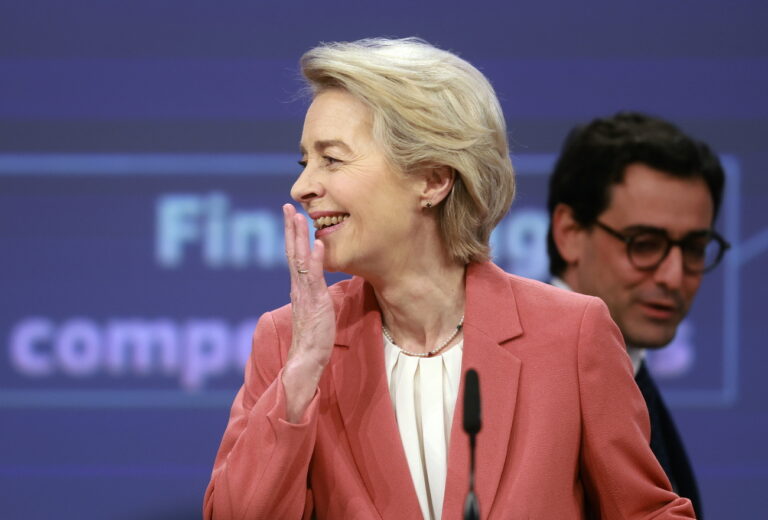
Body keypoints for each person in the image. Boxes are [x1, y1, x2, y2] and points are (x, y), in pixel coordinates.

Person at [204, 38, 695, 519]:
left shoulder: (571, 335)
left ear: (434, 179)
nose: (303, 186)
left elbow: (648, 512)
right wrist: (303, 370)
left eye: (332, 158)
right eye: (305, 161)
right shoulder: (290, 342)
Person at [547, 112, 729, 519]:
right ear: (570, 233)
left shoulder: (633, 371)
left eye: (695, 249)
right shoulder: (525, 384)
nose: (673, 276)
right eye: (645, 244)